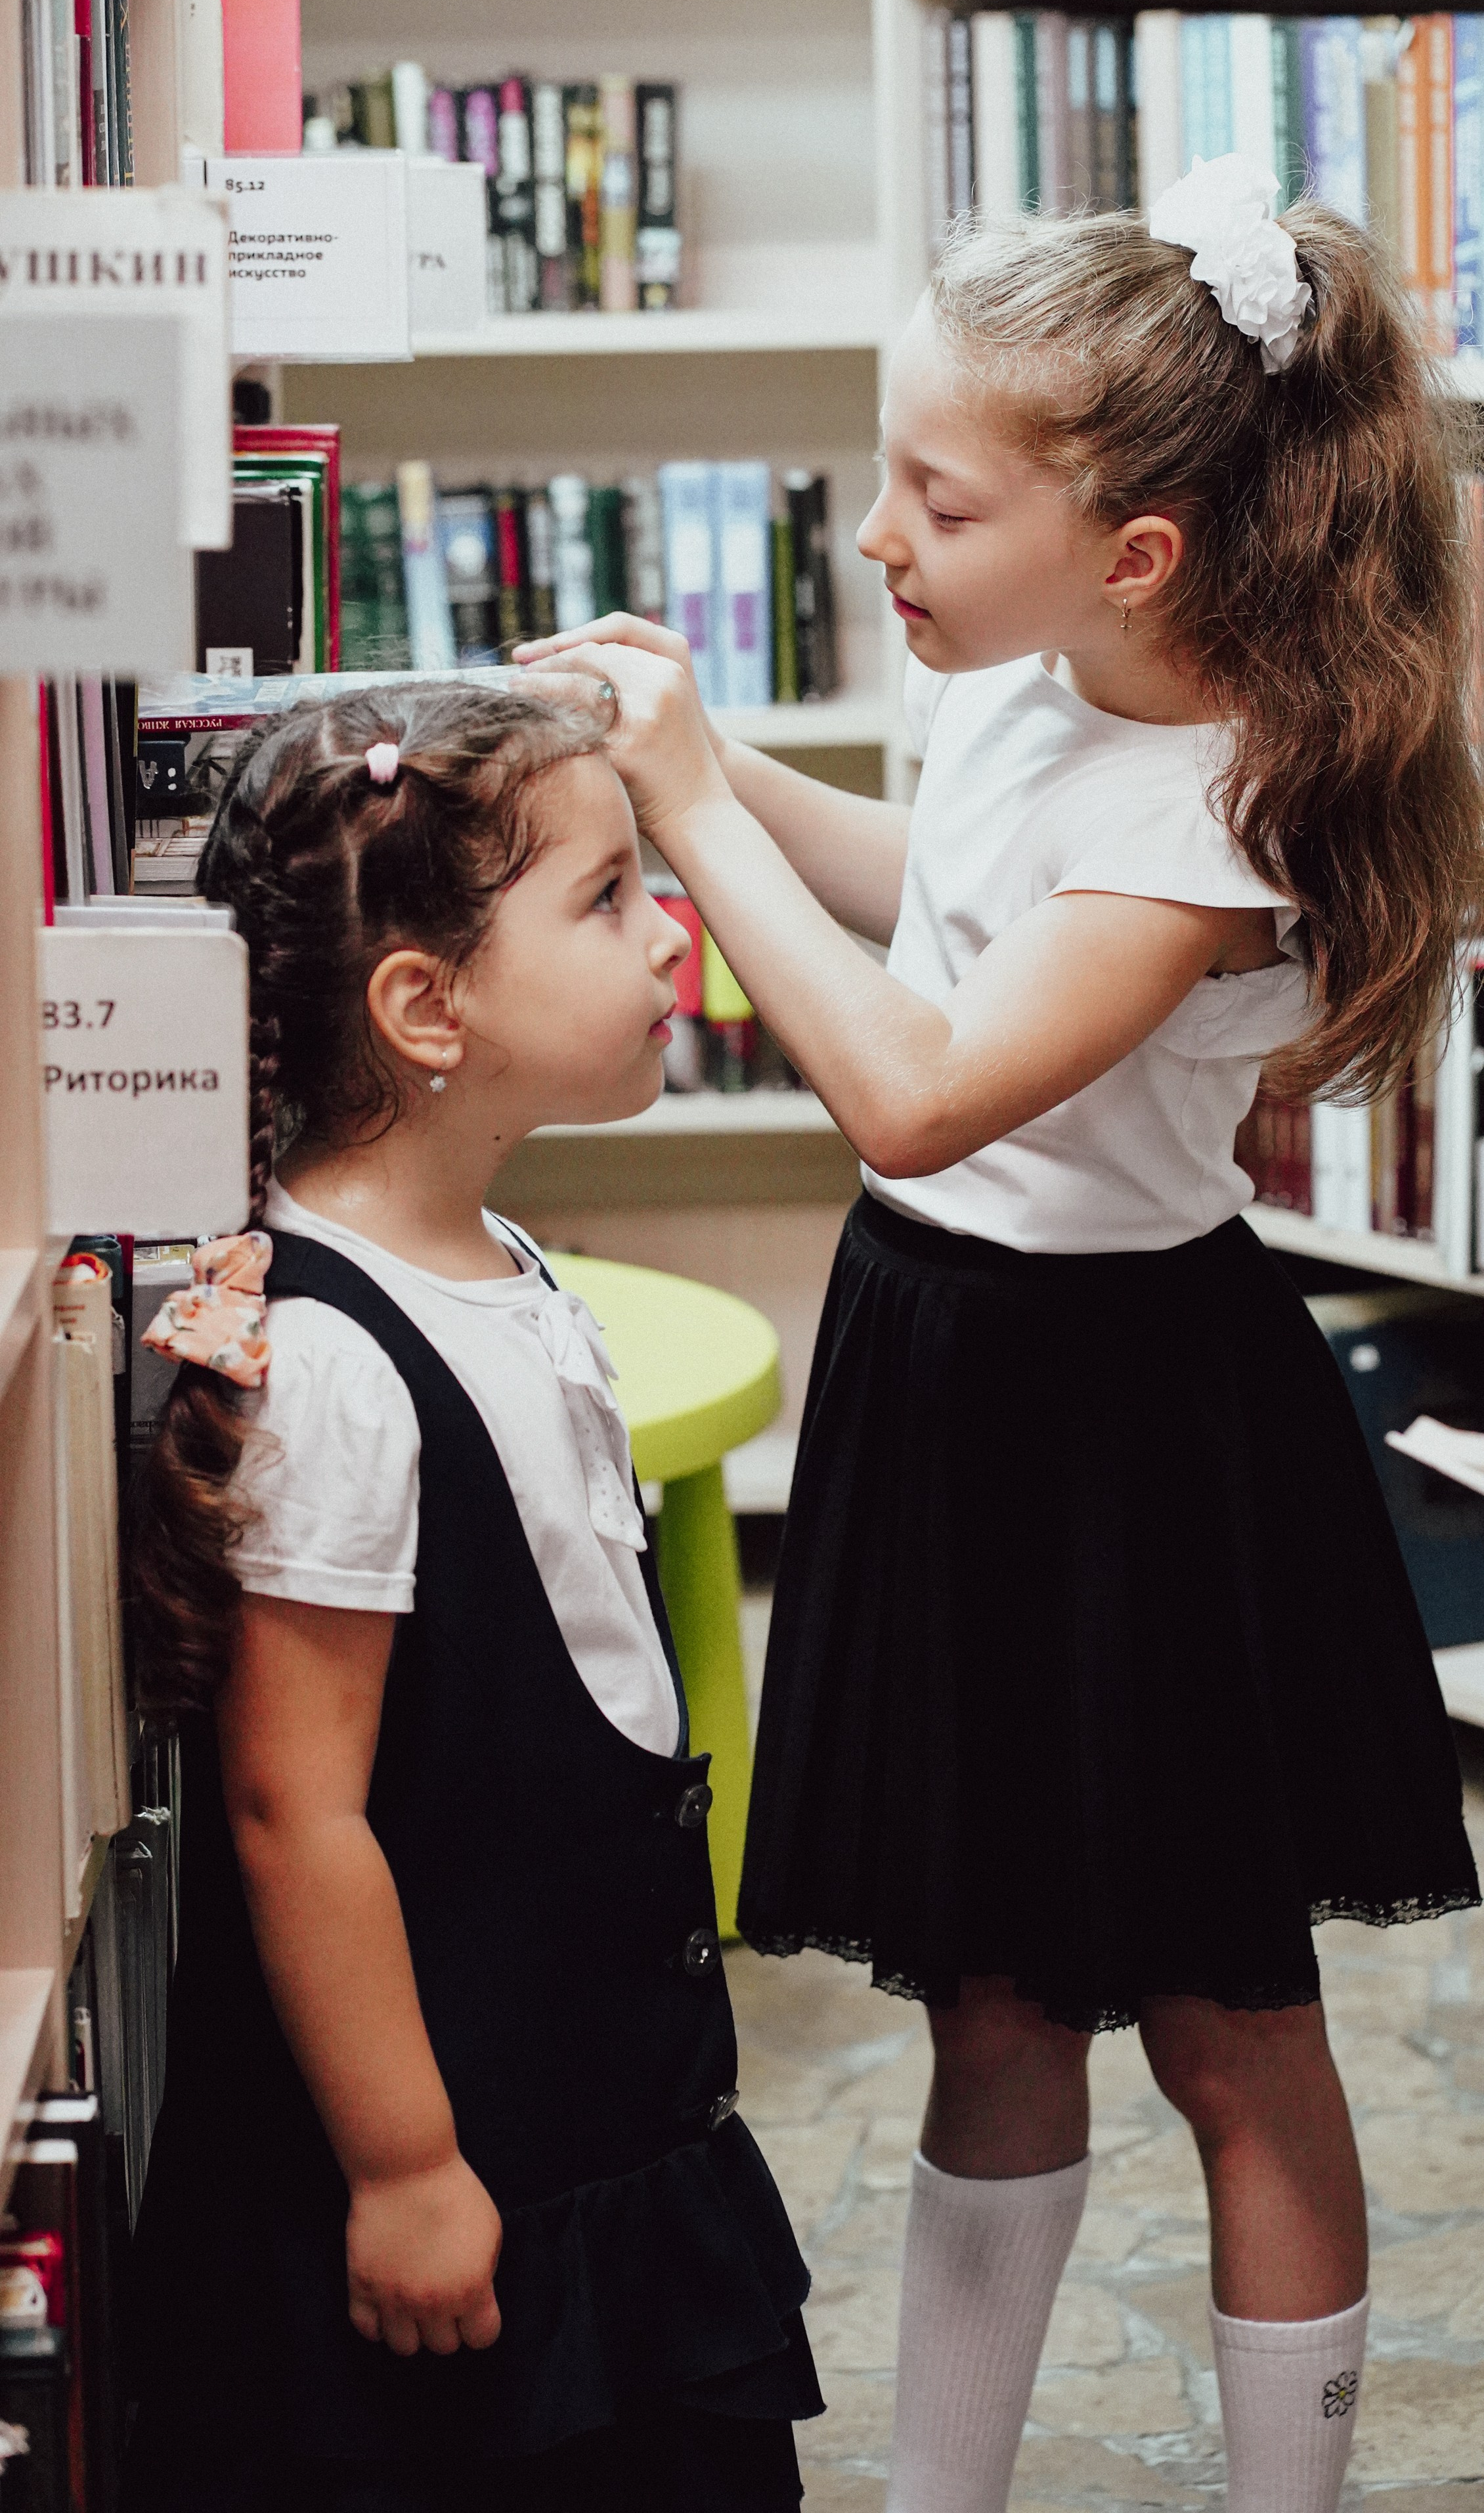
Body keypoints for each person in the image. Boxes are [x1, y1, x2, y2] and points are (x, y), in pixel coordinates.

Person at [513, 156, 1484, 2513]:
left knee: (1232, 2028)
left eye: (931, 500)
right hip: (943, 1370)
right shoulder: (1043, 692)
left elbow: (918, 1083)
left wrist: (683, 820)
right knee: (991, 1991)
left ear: (1132, 549)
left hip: (1131, 1429)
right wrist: (704, 757)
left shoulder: (1212, 799)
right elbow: (927, 892)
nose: (875, 536)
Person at [121, 679, 822, 2513]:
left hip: (599, 2120)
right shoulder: (337, 1364)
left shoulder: (496, 1260)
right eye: (603, 897)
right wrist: (410, 2165)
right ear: (426, 1008)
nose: (667, 927)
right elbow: (295, 1807)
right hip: (466, 2160)